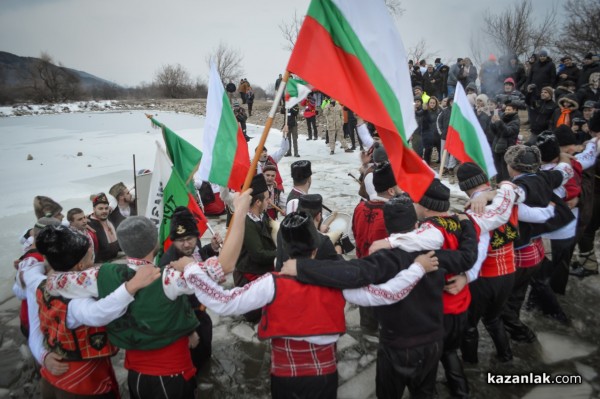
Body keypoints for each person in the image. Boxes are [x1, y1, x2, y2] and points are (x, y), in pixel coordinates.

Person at [172, 208, 439, 399]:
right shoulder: (335, 282)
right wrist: (417, 267)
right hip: (323, 376)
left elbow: (224, 302)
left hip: (284, 376)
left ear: (284, 251)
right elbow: (386, 294)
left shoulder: (270, 283)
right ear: (314, 249)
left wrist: (192, 270)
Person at [279, 196, 479, 399]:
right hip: (432, 341)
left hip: (397, 345)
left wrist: (302, 267)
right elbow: (468, 256)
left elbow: (352, 272)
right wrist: (465, 222)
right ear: (416, 225)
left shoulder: (385, 260)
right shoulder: (436, 255)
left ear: (388, 230)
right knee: (424, 393)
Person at [45, 211, 231, 399]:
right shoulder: (168, 277)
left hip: (135, 375)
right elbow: (223, 267)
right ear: (154, 243)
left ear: (124, 247)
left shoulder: (103, 275)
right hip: (171, 375)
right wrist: (238, 214)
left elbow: (53, 283)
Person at [32, 224, 160, 398]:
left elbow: (38, 326)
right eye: (91, 255)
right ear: (80, 265)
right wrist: (131, 287)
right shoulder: (76, 301)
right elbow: (98, 314)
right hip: (80, 383)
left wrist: (43, 355)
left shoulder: (45, 284)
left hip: (54, 376)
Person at [501, 145, 574, 342]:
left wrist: (491, 194)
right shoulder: (545, 177)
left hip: (520, 251)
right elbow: (565, 171)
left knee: (504, 297)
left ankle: (518, 331)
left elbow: (515, 198)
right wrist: (563, 157)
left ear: (512, 166)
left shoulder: (522, 185)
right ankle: (519, 322)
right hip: (537, 248)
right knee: (520, 291)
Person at [158, 206, 222, 369]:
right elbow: (171, 305)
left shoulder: (196, 244)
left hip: (202, 312)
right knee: (194, 363)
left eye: (189, 238)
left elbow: (199, 257)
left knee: (206, 353)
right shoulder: (168, 262)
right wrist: (189, 331)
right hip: (188, 320)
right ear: (173, 240)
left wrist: (212, 249)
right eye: (181, 240)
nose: (186, 244)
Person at [352, 163, 403, 332]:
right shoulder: (393, 214)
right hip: (384, 275)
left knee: (367, 322)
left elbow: (354, 233)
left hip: (362, 269)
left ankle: (367, 331)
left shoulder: (359, 208)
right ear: (391, 190)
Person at [232, 174, 277, 322]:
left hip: (262, 269)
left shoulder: (261, 216)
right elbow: (258, 254)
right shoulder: (247, 222)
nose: (269, 201)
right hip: (249, 273)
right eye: (266, 198)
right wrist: (280, 253)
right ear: (258, 202)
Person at [275, 194, 340, 270]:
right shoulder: (323, 242)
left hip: (282, 278)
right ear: (319, 216)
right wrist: (338, 249)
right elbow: (339, 270)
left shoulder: (283, 231)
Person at [491, 102, 521, 182]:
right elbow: (495, 132)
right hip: (497, 148)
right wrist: (493, 123)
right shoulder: (502, 118)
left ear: (515, 110)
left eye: (509, 110)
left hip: (506, 149)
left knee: (505, 171)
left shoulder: (515, 122)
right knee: (498, 170)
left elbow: (507, 132)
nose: (506, 111)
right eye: (506, 109)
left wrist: (499, 122)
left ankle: (506, 186)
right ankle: (499, 185)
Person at [87, 192, 120, 262]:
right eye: (100, 208)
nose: (104, 211)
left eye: (106, 208)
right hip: (101, 263)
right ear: (94, 209)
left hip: (117, 257)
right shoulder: (89, 224)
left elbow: (114, 201)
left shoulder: (110, 217)